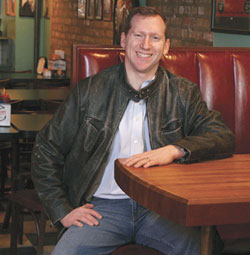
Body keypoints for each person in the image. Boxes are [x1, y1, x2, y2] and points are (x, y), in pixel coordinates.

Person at [31, 6, 234, 255]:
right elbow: (46, 149)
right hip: (102, 209)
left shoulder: (182, 93)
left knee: (201, 249)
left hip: (160, 208)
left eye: (155, 37)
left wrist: (173, 150)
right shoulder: (89, 91)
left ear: (166, 46)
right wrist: (62, 210)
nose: (146, 45)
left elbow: (221, 136)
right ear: (124, 40)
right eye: (138, 35)